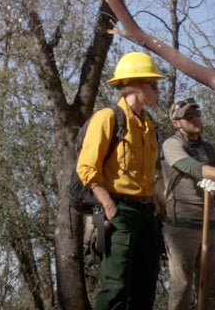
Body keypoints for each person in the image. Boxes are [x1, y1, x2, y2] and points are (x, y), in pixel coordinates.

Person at [78, 51, 165, 310]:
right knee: (115, 287)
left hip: (147, 214)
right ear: (137, 86)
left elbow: (149, 171)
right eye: (154, 85)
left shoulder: (149, 124)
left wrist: (153, 199)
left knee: (145, 287)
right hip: (119, 212)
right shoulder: (108, 117)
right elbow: (86, 167)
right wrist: (109, 206)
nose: (158, 90)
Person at [160, 97, 215, 310]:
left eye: (197, 114)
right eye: (188, 116)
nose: (195, 119)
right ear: (176, 123)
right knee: (181, 287)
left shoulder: (210, 149)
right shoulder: (171, 144)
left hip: (210, 224)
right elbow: (191, 167)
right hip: (180, 226)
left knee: (211, 289)